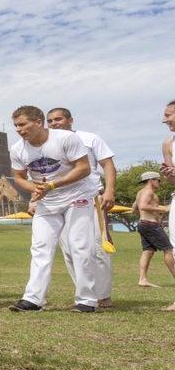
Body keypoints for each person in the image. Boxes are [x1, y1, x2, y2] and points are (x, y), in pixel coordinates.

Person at [9, 105, 98, 312]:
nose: (19, 129)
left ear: (38, 122)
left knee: (79, 246)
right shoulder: (17, 149)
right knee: (40, 247)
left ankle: (86, 300)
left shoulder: (65, 138)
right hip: (47, 202)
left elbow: (84, 168)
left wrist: (52, 185)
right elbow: (20, 178)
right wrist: (36, 188)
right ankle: (33, 299)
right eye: (16, 126)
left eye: (23, 124)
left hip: (77, 196)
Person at [47, 107, 116, 308]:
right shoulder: (47, 144)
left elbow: (108, 164)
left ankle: (103, 295)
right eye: (50, 121)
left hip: (89, 197)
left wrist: (110, 191)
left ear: (70, 120)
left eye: (58, 119)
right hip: (59, 199)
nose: (54, 124)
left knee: (96, 247)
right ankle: (86, 293)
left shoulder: (89, 138)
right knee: (69, 248)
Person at [134, 171, 175, 287]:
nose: (159, 183)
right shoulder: (148, 191)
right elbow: (142, 206)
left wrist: (152, 213)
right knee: (168, 249)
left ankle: (142, 279)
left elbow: (135, 208)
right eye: (158, 180)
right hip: (150, 225)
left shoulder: (140, 192)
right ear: (151, 180)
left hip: (143, 223)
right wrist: (164, 208)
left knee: (148, 251)